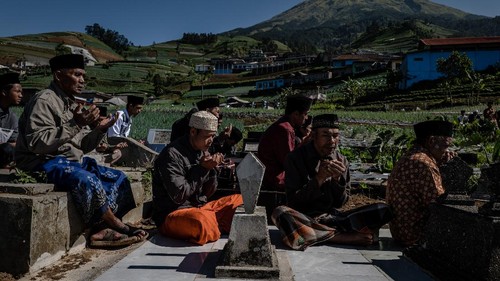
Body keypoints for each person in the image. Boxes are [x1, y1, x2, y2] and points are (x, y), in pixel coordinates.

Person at [15, 54, 147, 247]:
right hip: (40, 162)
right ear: (59, 76)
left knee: (117, 177)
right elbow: (37, 143)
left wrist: (100, 129)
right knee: (88, 180)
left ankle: (103, 227)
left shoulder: (72, 103)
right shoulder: (44, 100)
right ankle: (111, 225)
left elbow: (82, 145)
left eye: (83, 75)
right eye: (77, 74)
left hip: (67, 161)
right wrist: (75, 123)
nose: (82, 80)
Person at [272, 114, 392, 250]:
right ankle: (341, 237)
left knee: (383, 209)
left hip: (335, 219)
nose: (332, 141)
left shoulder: (341, 160)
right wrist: (319, 179)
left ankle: (318, 235)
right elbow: (294, 202)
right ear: (313, 135)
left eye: (335, 136)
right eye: (326, 135)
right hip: (306, 219)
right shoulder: (295, 159)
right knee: (280, 213)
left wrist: (337, 180)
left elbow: (342, 202)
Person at [152, 111, 243, 245]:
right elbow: (179, 196)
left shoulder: (203, 150)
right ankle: (216, 225)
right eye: (208, 136)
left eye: (213, 136)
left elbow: (208, 193)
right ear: (193, 132)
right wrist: (203, 169)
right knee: (201, 221)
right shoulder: (171, 155)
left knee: (240, 200)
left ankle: (215, 224)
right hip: (174, 213)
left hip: (201, 207)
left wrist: (212, 169)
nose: (211, 141)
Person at [386, 120, 454, 247]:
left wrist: (439, 163)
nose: (447, 151)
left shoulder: (412, 156)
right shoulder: (424, 164)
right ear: (432, 141)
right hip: (416, 234)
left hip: (400, 231)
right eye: (445, 146)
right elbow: (439, 204)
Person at [258, 95, 313, 191]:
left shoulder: (284, 126)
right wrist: (305, 143)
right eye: (305, 114)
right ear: (296, 114)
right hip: (275, 179)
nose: (306, 118)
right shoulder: (284, 129)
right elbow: (288, 161)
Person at [0, 72, 23, 168]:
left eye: (21, 92)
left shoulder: (12, 116)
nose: (21, 95)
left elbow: (15, 142)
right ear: (4, 92)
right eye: (17, 91)